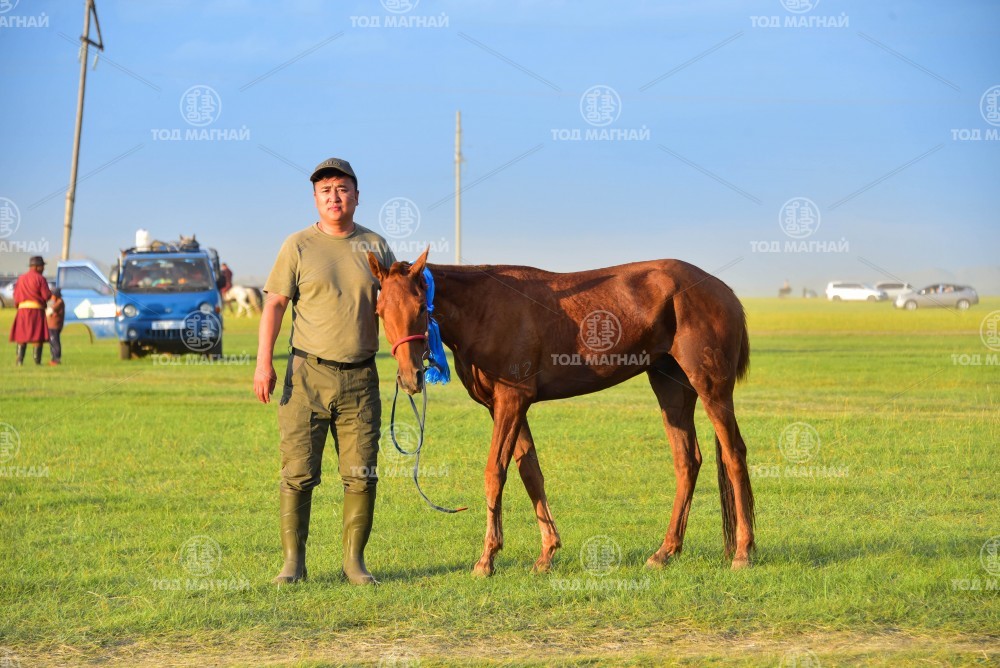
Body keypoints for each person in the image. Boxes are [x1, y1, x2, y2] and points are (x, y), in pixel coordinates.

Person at [254, 157, 396, 586]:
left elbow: (397, 303)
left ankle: (355, 564)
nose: (334, 197)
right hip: (306, 376)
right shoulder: (297, 245)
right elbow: (275, 304)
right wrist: (263, 363)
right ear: (315, 199)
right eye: (325, 191)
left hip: (361, 378)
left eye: (342, 189)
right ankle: (293, 564)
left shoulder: (375, 245)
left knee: (361, 474)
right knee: (298, 473)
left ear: (357, 196)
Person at [9, 256, 51, 366]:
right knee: (37, 336)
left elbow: (16, 295)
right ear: (37, 267)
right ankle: (37, 362)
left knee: (21, 336)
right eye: (42, 266)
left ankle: (19, 361)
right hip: (36, 310)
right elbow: (46, 295)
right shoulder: (40, 279)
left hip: (22, 311)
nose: (43, 268)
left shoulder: (21, 278)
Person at [47, 287, 65, 366]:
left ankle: (56, 359)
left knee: (55, 342)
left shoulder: (59, 302)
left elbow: (50, 310)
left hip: (54, 325)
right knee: (52, 342)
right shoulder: (56, 301)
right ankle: (53, 358)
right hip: (51, 325)